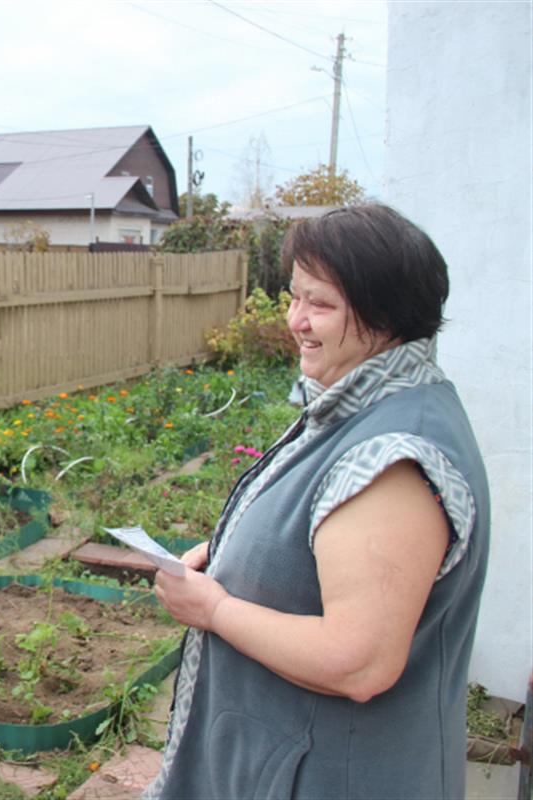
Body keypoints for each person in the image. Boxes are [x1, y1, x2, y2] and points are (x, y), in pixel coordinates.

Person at [145, 204, 490, 799]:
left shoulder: (393, 461)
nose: (296, 320)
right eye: (294, 297)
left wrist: (214, 609)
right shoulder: (361, 404)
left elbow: (358, 661)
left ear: (388, 315)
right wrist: (232, 553)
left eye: (321, 304)